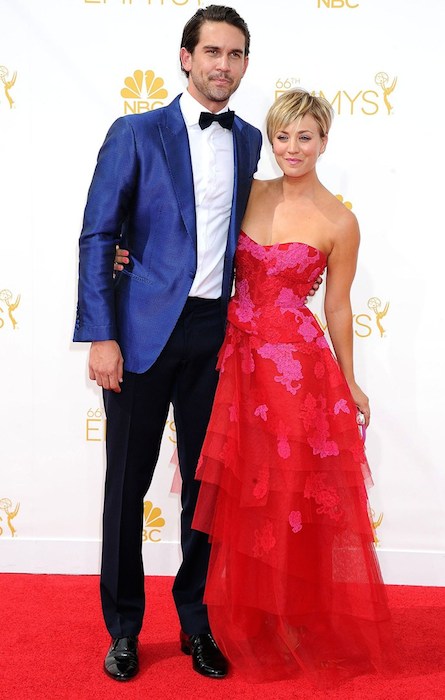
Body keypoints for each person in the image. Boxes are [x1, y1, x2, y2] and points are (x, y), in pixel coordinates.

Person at [73, 5, 263, 682]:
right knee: (126, 487)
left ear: (244, 64)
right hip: (142, 334)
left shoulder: (248, 141)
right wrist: (101, 333)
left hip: (216, 337)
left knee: (206, 494)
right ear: (185, 58)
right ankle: (124, 628)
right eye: (211, 51)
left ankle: (196, 623)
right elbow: (99, 235)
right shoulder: (135, 132)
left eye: (235, 54)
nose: (222, 65)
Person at [189, 89, 396, 687]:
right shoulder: (250, 192)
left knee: (285, 501)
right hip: (232, 359)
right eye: (282, 136)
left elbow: (337, 306)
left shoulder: (339, 221)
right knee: (236, 494)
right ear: (270, 140)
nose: (292, 148)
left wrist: (350, 380)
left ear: (324, 141)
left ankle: (285, 617)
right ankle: (225, 617)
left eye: (305, 137)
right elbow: (198, 243)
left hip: (293, 372)